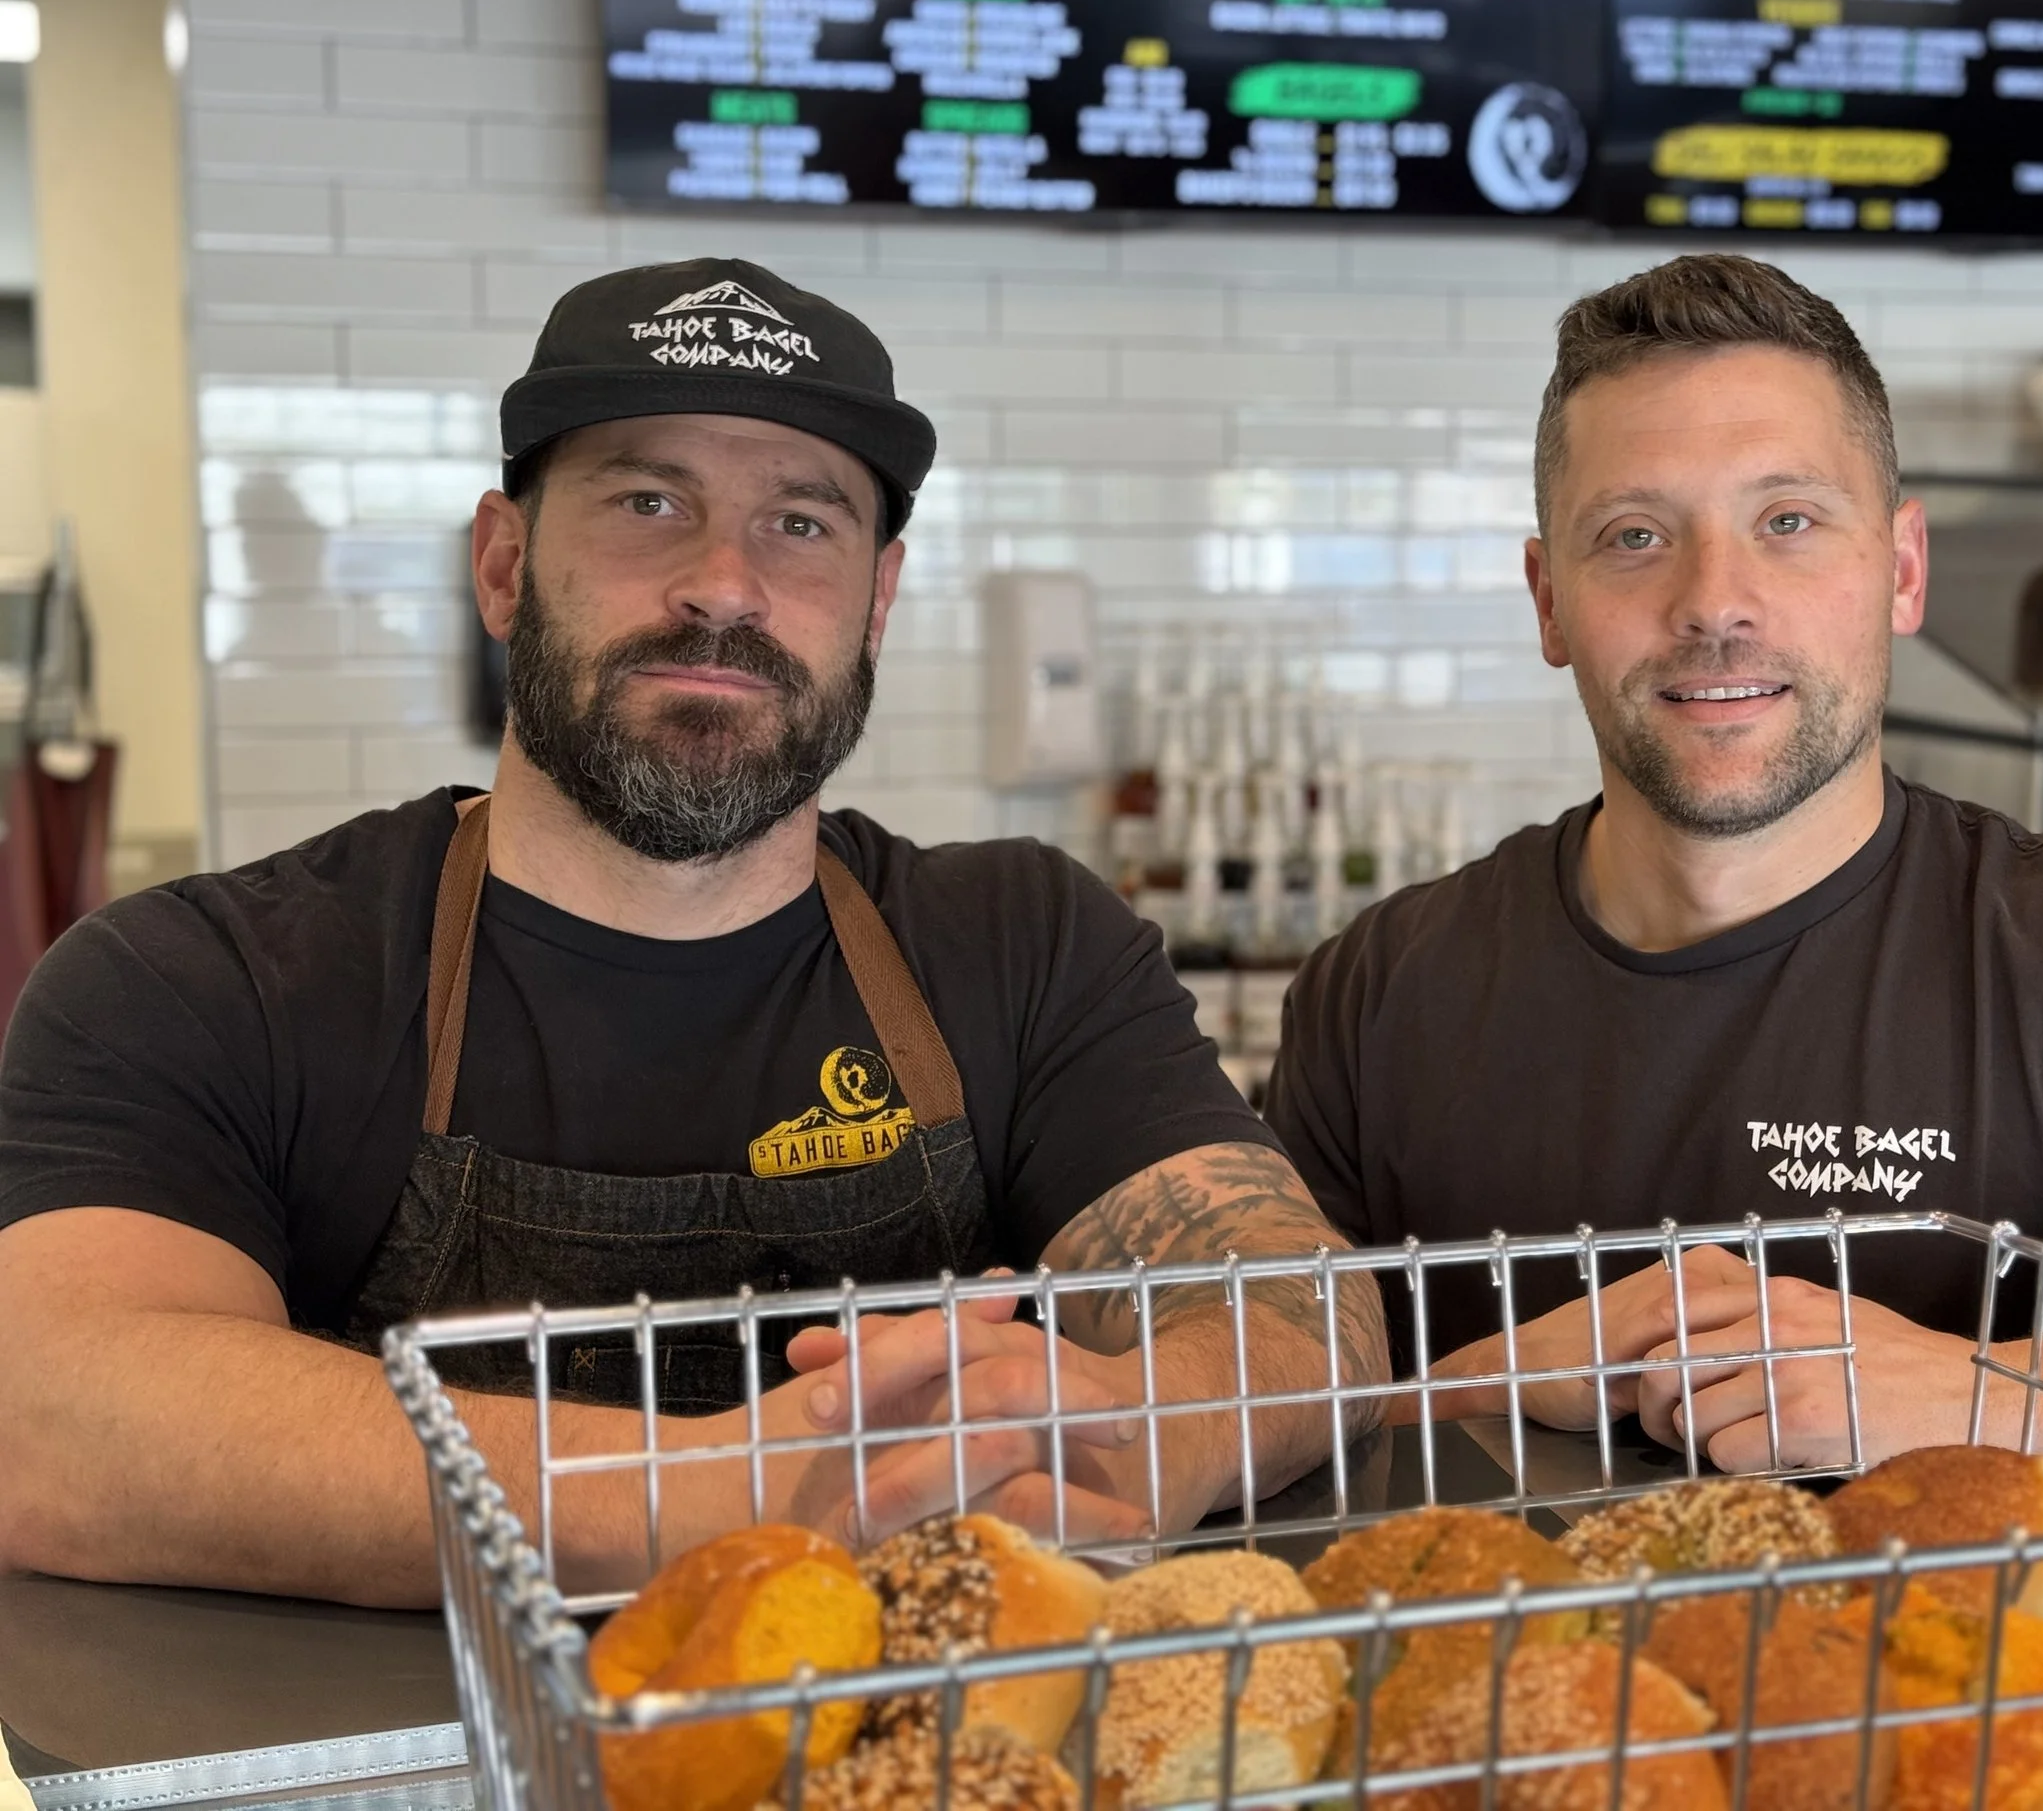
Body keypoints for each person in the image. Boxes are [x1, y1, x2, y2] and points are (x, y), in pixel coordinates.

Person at [0, 259, 1384, 1608]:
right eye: (648, 502)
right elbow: (51, 1413)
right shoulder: (209, 977)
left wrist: (1135, 1439)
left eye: (802, 522)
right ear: (504, 564)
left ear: (878, 602)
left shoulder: (1023, 943)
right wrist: (744, 1492)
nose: (724, 585)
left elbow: (1304, 1308)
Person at [1264, 253, 2043, 1491]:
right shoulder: (1378, 993)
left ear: (1903, 570)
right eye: (1634, 536)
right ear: (1548, 601)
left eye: (1787, 522)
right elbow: (1245, 1424)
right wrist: (1486, 1386)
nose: (1714, 603)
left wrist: (1985, 1396)